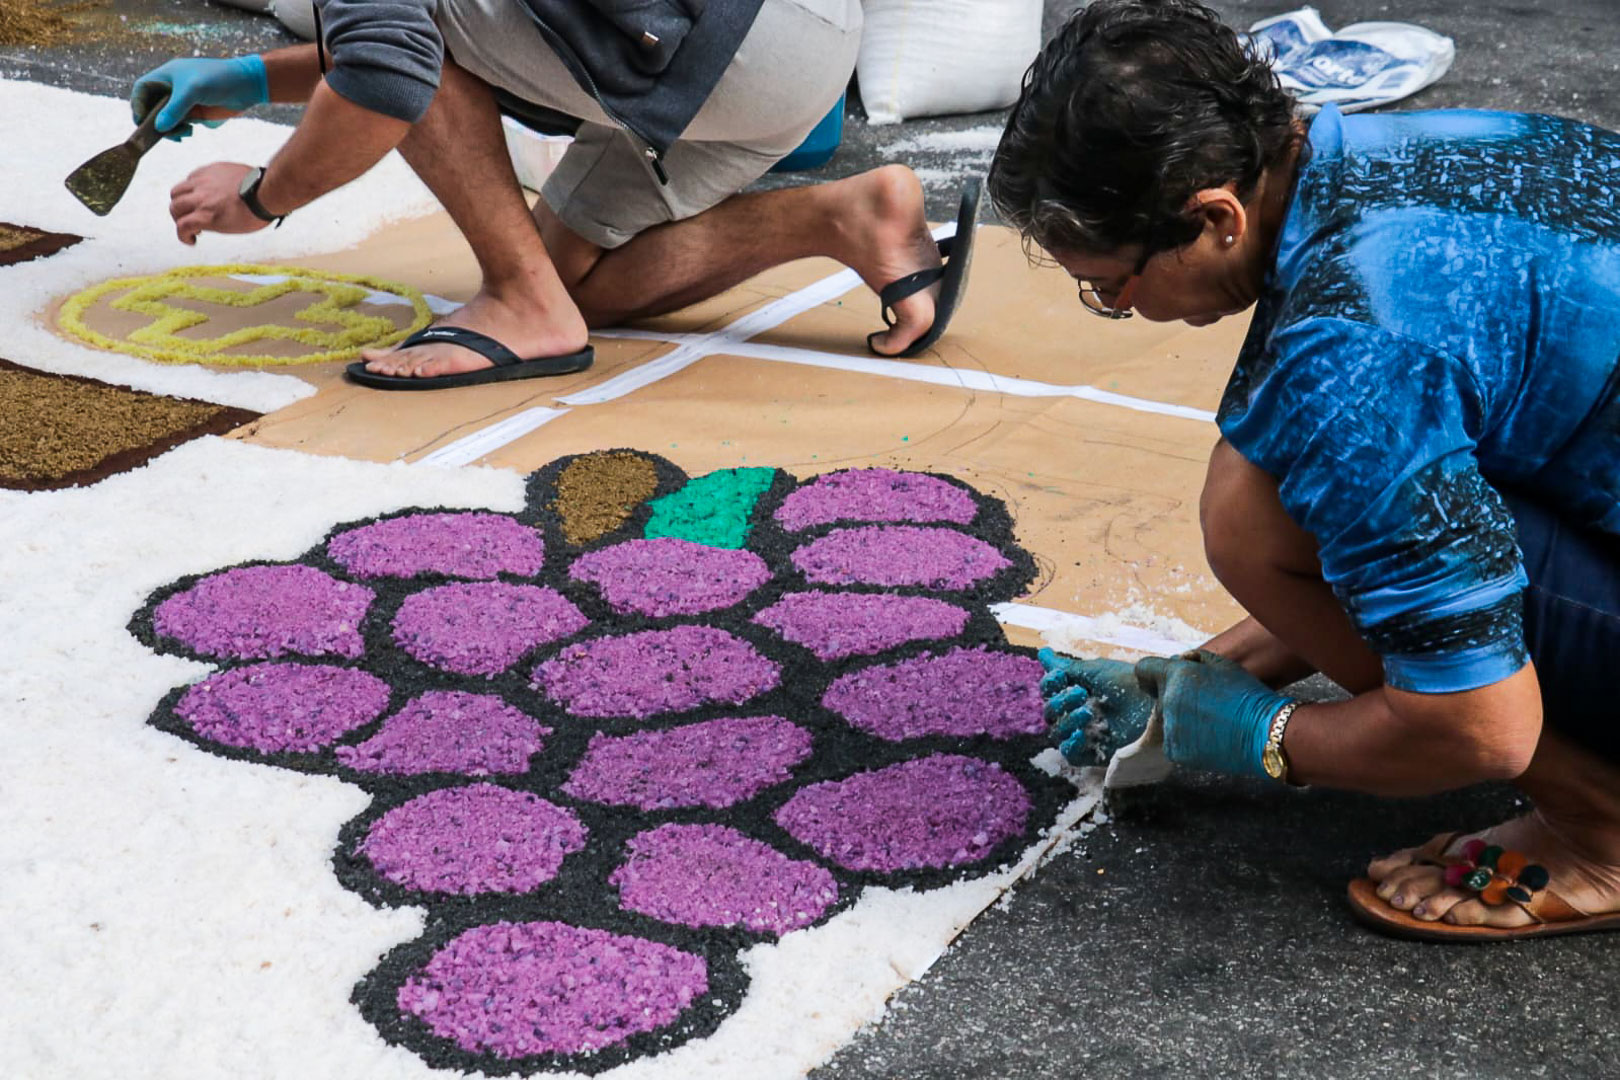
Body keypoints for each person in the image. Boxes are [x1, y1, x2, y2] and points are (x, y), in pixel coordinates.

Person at [992, 0, 1620, 940]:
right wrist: (1205, 674)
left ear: (1216, 217)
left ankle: (1600, 826)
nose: (1117, 308)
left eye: (1111, 286)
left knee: (1253, 509)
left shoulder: (1351, 346)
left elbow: (1481, 730)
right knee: (1315, 469)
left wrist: (1262, 736)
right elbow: (1399, 518)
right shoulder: (1410, 150)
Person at [132, 0, 975, 390]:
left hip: (724, 51)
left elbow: (391, 68)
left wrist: (261, 197)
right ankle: (846, 216)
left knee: (415, 47)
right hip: (796, 44)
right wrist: (248, 78)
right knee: (572, 285)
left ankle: (517, 302)